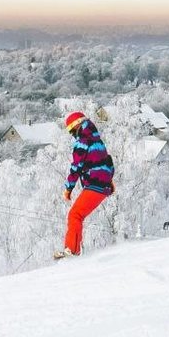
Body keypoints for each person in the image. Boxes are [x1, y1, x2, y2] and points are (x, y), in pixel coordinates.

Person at [54, 111, 115, 259]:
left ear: (77, 126)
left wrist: (69, 188)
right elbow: (108, 162)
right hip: (102, 186)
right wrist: (110, 181)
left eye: (72, 131)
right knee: (77, 215)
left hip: (94, 185)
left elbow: (76, 167)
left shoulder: (83, 141)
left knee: (75, 215)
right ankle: (73, 249)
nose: (72, 135)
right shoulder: (97, 140)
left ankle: (71, 250)